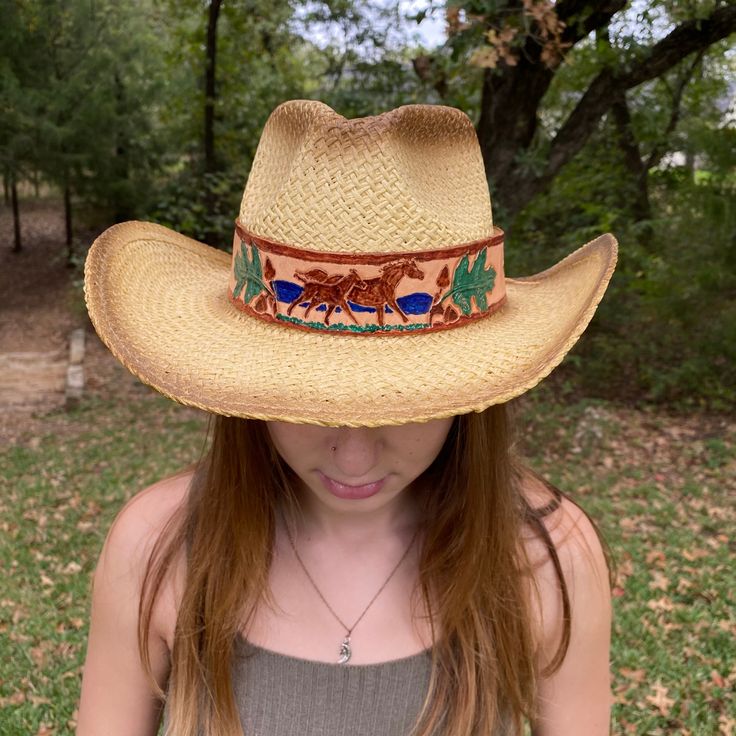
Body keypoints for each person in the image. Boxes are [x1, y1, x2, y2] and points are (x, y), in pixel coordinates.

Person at [77, 100, 617, 736]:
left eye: (408, 401)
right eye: (308, 401)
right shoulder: (157, 548)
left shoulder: (546, 557)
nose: (355, 457)